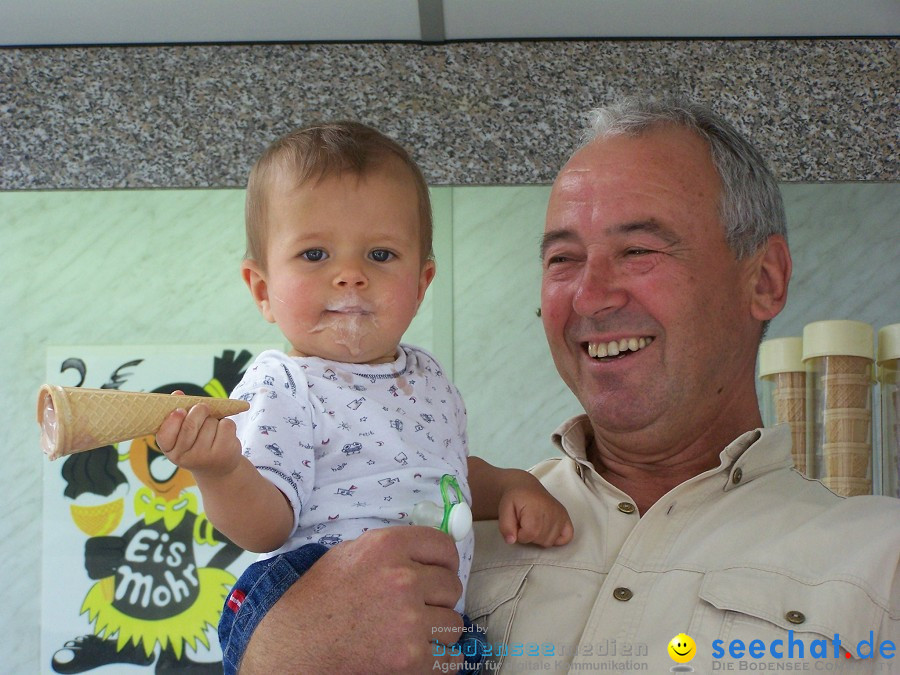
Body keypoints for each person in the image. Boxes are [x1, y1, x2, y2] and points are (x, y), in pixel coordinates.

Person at [226, 96, 900, 674]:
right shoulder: (446, 531)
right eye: (563, 258)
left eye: (639, 249)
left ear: (765, 280)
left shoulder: (881, 562)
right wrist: (274, 651)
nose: (591, 294)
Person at [154, 122, 573, 675]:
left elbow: (443, 477)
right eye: (314, 254)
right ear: (262, 289)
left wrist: (510, 486)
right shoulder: (282, 382)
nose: (349, 275)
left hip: (435, 613)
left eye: (379, 254)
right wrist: (221, 470)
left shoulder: (428, 378)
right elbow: (265, 527)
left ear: (422, 284)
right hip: (308, 600)